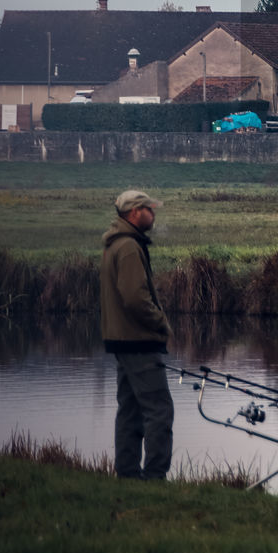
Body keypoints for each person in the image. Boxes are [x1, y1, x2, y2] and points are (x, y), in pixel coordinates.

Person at [100, 189, 173, 480]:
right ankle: (155, 477)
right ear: (134, 213)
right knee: (159, 411)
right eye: (149, 209)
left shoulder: (114, 243)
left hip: (122, 340)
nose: (153, 214)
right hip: (138, 340)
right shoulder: (129, 247)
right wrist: (161, 323)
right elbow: (134, 298)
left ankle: (128, 475)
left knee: (129, 411)